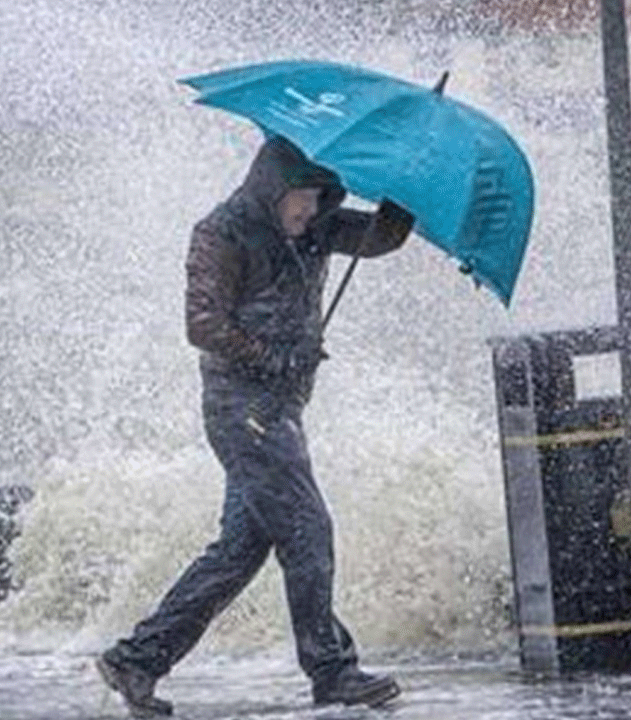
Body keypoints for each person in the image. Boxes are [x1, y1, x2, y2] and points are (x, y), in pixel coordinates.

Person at [96, 135, 414, 718]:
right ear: (273, 188)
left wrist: (404, 191)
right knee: (308, 528)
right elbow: (202, 324)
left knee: (240, 550)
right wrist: (273, 359)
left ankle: (137, 660)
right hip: (241, 409)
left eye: (320, 197)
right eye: (302, 197)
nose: (310, 210)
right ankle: (332, 671)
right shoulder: (222, 232)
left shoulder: (316, 227)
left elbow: (379, 238)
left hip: (280, 410)